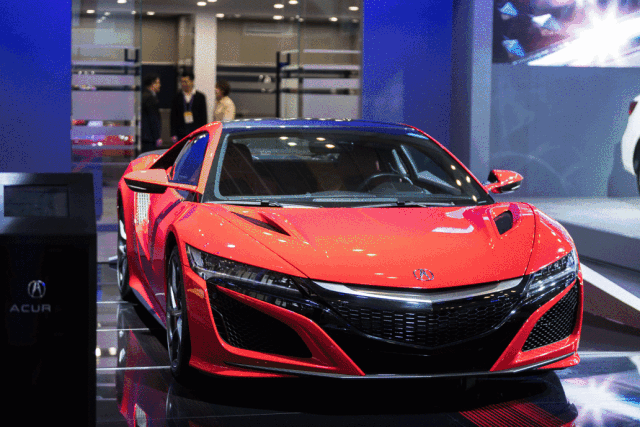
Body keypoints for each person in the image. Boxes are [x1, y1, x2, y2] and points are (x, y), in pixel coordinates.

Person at [170, 72, 208, 142]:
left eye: (186, 81)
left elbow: (203, 116)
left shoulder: (200, 97)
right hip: (180, 133)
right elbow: (173, 117)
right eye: (182, 82)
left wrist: (204, 132)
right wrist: (173, 134)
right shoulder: (177, 97)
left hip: (196, 133)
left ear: (192, 82)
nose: (183, 84)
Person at [140, 74, 163, 153]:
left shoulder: (144, 95)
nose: (160, 85)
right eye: (158, 83)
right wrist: (157, 137)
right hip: (149, 137)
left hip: (146, 136)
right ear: (152, 84)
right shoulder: (150, 98)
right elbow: (153, 118)